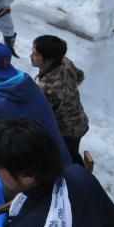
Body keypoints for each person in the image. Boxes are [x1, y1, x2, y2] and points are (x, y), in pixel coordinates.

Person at [30, 35, 89, 166]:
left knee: (65, 160)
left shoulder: (47, 87)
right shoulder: (64, 62)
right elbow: (80, 76)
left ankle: (79, 179)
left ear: (49, 60)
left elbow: (41, 115)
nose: (30, 56)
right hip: (80, 121)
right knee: (72, 153)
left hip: (66, 131)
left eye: (35, 54)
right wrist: (68, 92)